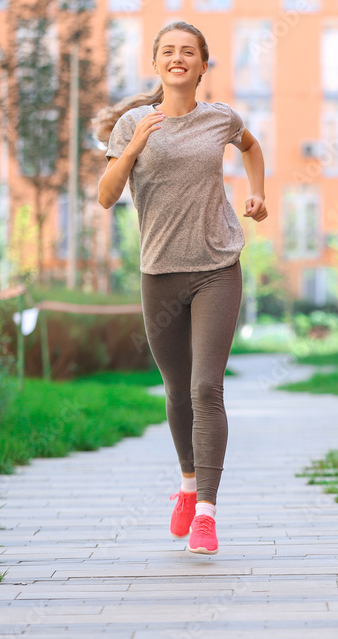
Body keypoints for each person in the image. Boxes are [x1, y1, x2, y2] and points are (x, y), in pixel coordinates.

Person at [94, 21, 268, 555]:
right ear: (156, 64)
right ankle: (188, 486)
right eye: (168, 51)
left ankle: (208, 515)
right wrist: (132, 148)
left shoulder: (220, 119)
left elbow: (252, 145)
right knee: (176, 393)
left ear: (202, 65)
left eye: (187, 52)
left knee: (205, 389)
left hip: (218, 265)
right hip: (160, 272)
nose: (178, 58)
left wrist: (258, 193)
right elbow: (105, 197)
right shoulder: (131, 124)